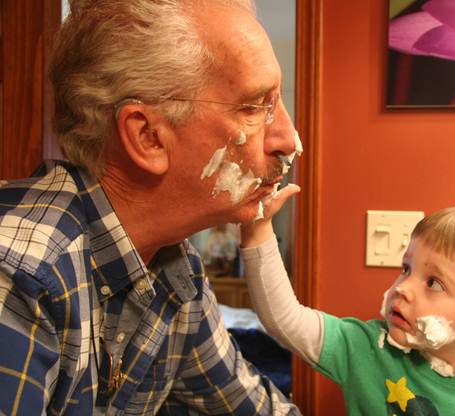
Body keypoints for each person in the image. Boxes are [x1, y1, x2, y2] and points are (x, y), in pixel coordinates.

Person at [0, 0, 302, 414]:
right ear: (148, 137)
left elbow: (254, 406)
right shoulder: (21, 275)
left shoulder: (177, 272)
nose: (289, 139)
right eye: (253, 107)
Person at [241, 194, 455, 416]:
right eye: (406, 269)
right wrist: (258, 230)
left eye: (434, 283)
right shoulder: (370, 348)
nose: (403, 288)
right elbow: (285, 320)